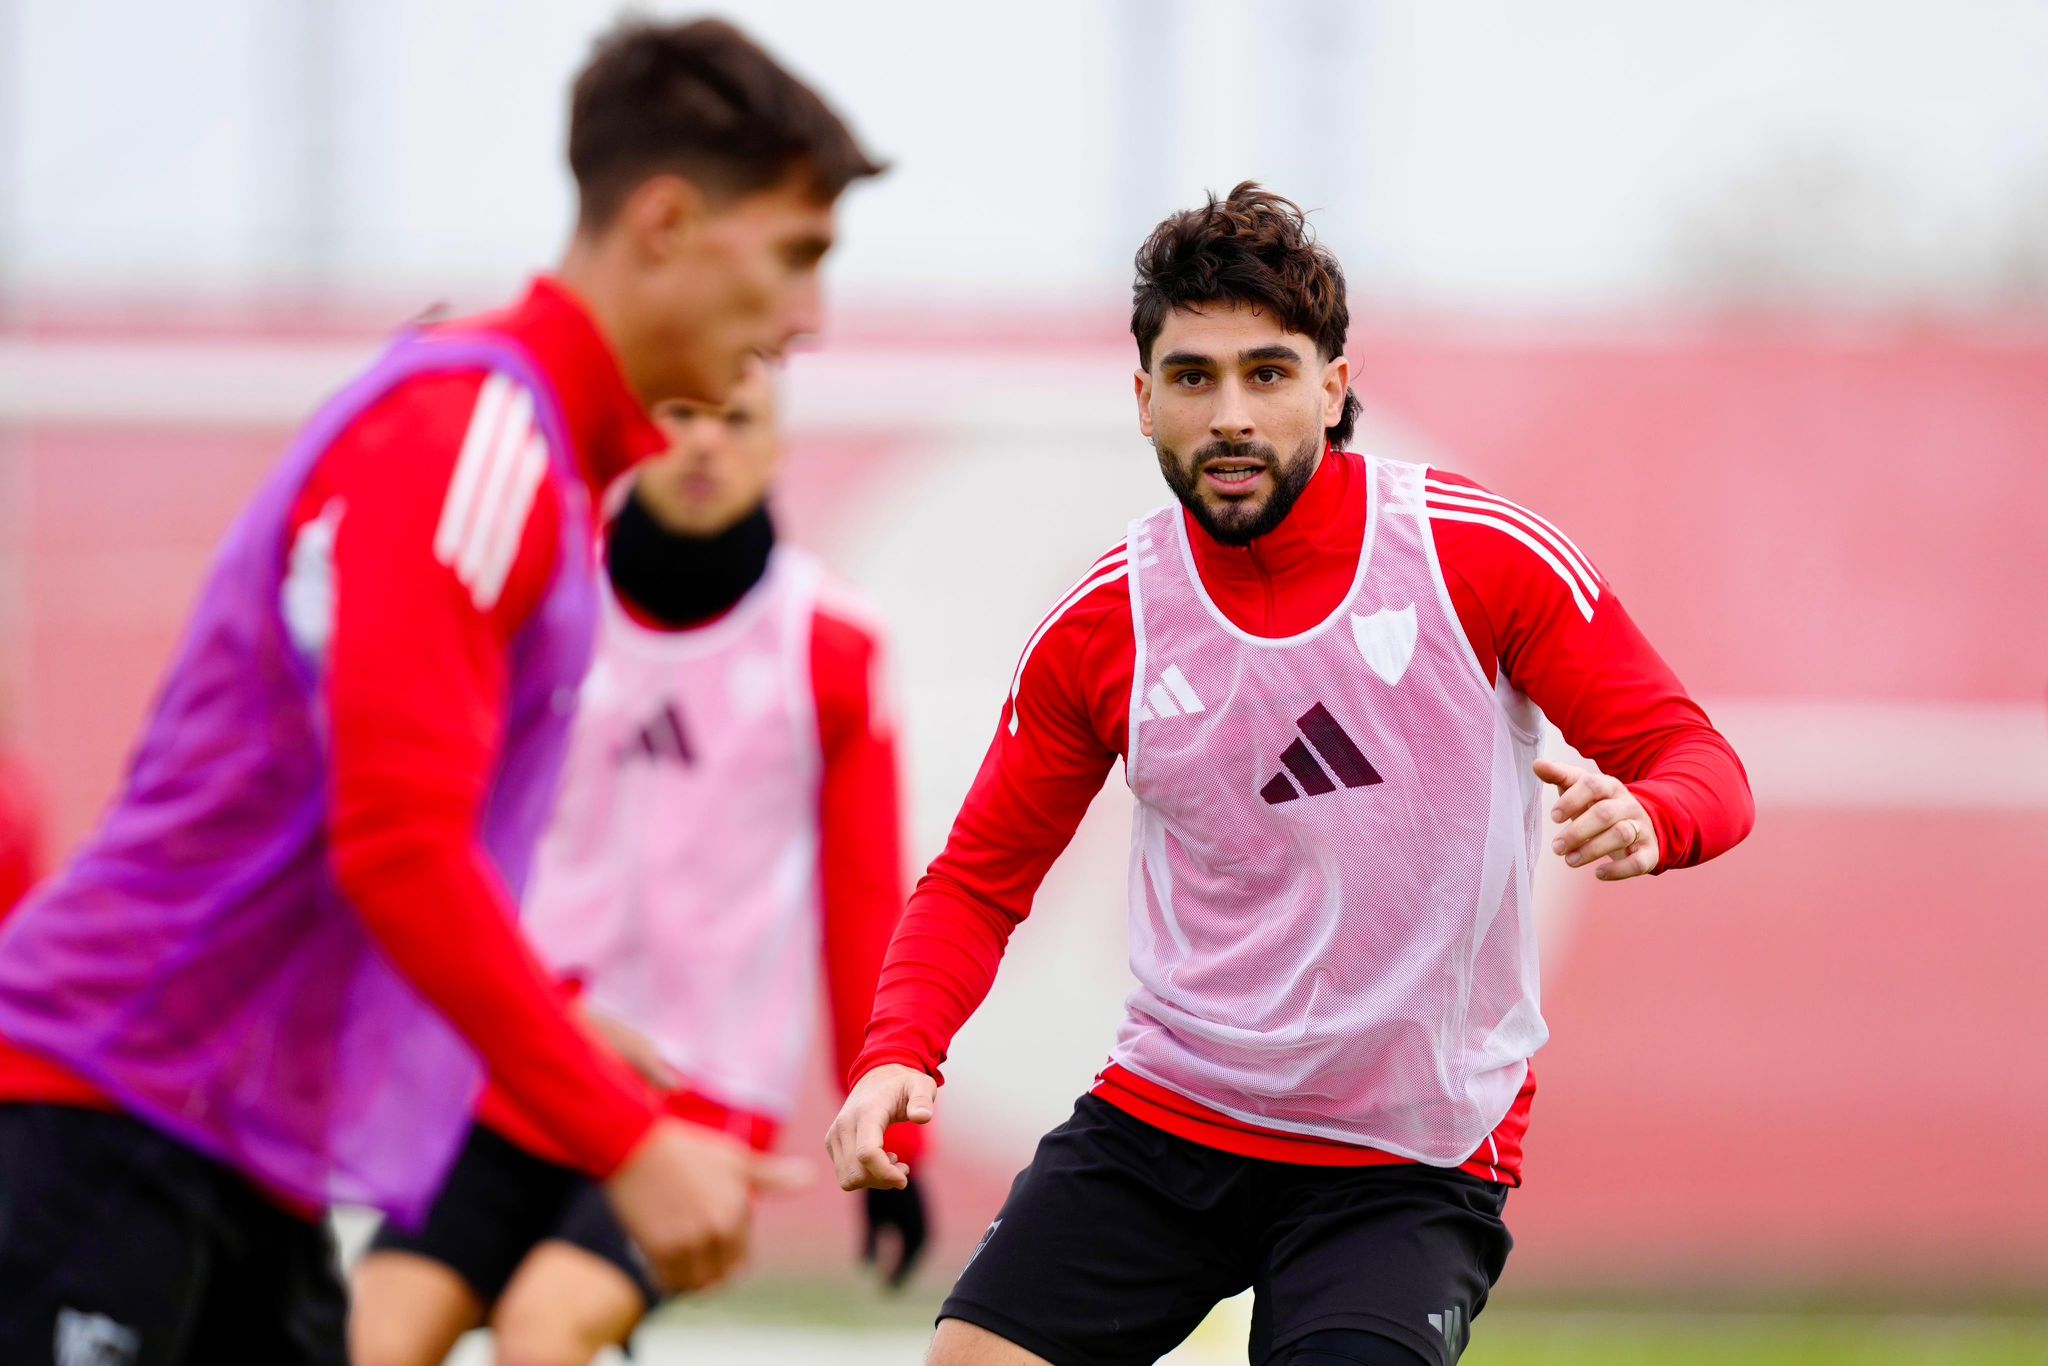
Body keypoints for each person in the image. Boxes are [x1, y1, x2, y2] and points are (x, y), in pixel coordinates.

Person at [0, 19, 882, 1365]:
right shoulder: (482, 434)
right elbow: (396, 842)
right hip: (108, 1118)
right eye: (797, 255)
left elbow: (380, 838)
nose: (810, 316)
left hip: (235, 1155)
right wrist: (625, 1133)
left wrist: (554, 1021)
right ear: (666, 222)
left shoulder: (542, 459)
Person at [827, 183, 1755, 1366]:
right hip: (1165, 1123)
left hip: (1407, 1158)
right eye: (1192, 375)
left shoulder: (1476, 560)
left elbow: (1699, 761)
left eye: (1267, 373)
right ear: (1141, 398)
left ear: (1331, 383)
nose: (1229, 413)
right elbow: (975, 881)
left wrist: (1653, 814)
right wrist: (898, 1049)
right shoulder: (1104, 623)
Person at [350, 358, 929, 1366]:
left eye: (735, 420)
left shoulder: (832, 642)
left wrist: (897, 1135)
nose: (705, 441)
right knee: (371, 1334)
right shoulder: (545, 598)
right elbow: (441, 838)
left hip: (696, 1097)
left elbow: (865, 897)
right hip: (518, 1066)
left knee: (543, 1332)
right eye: (680, 411)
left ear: (776, 447)